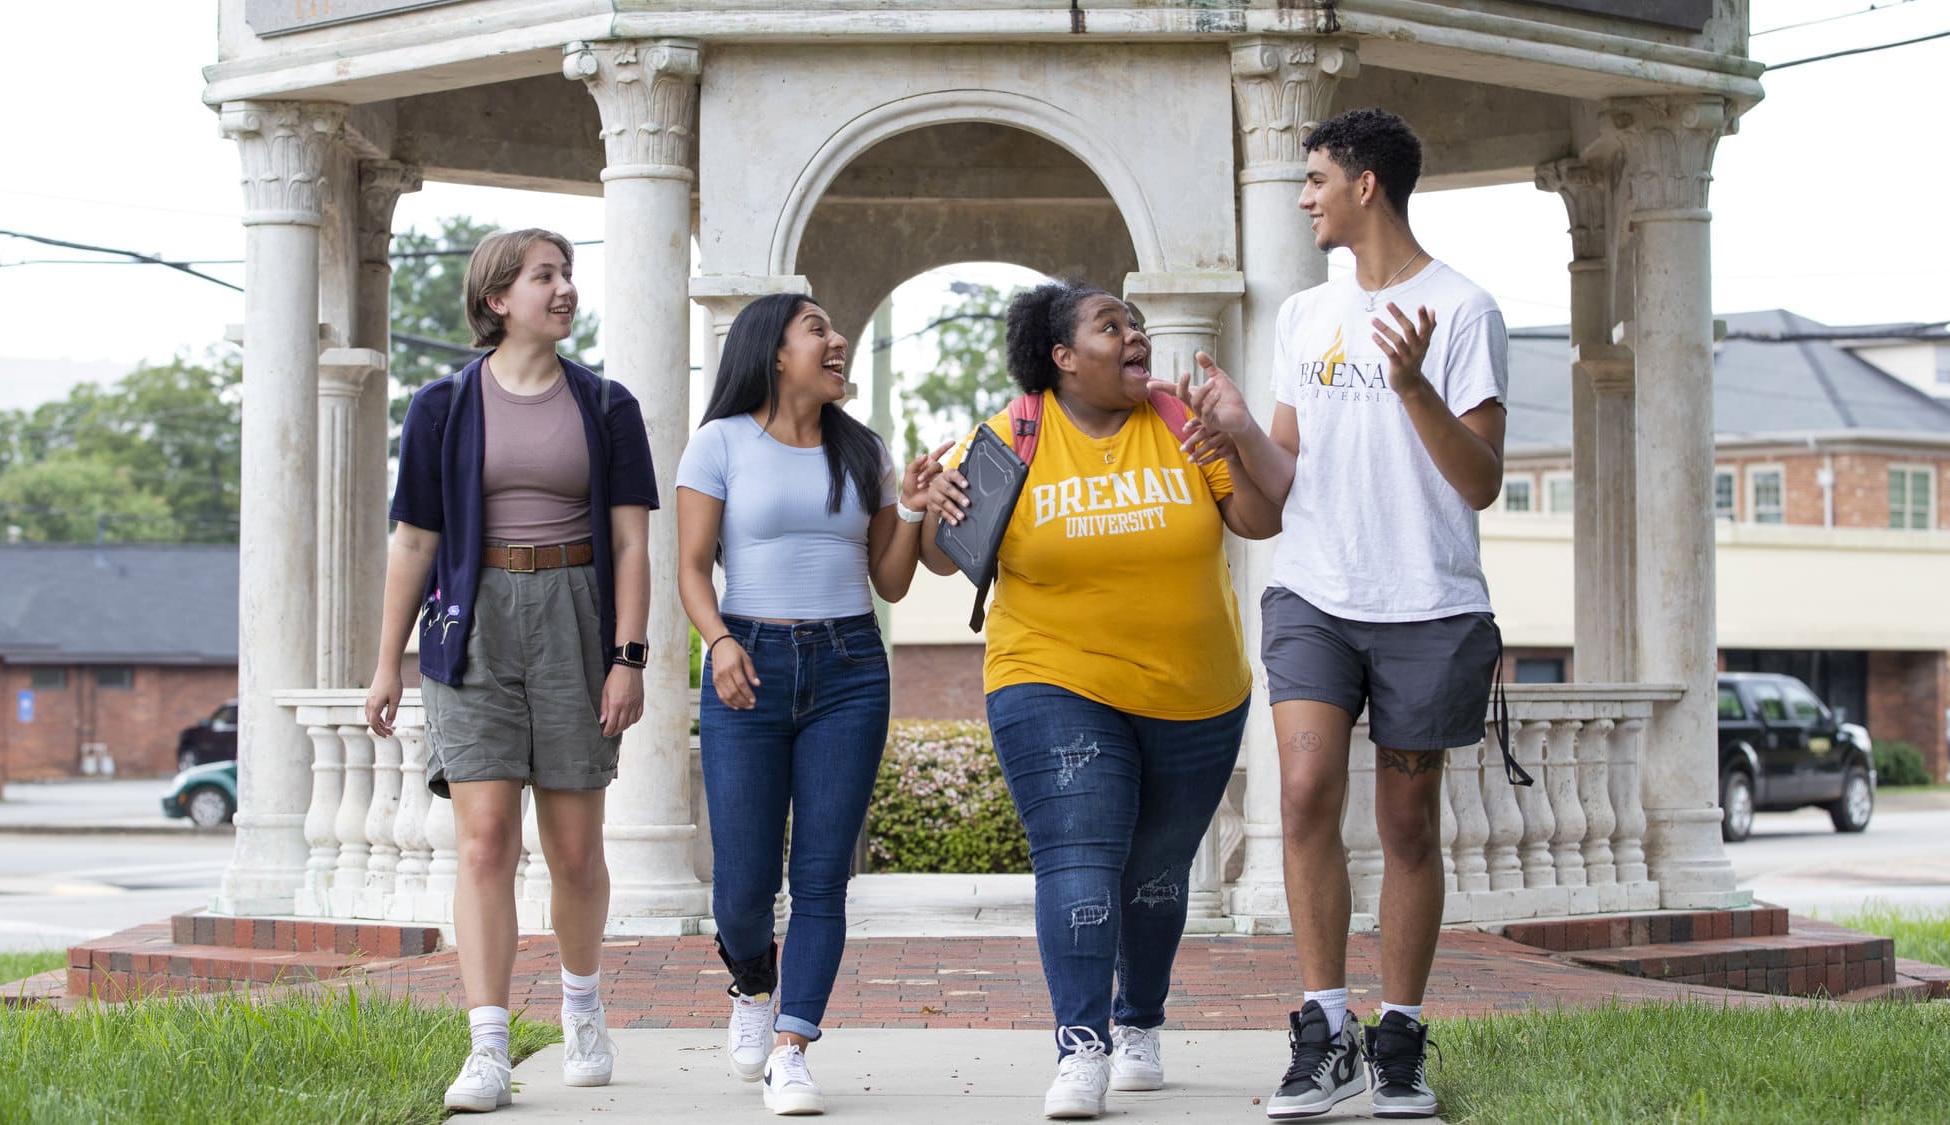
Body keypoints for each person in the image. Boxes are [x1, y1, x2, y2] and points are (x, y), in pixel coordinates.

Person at [1173, 107, 1509, 1120]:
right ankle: (1325, 1031)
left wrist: (1411, 389)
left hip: (1426, 604)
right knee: (1307, 786)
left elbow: (1480, 481)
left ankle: (1397, 1034)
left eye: (1313, 178)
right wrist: (1233, 434)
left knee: (1406, 820)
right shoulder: (1303, 317)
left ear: (1366, 184)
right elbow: (1276, 497)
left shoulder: (1463, 310)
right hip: (1313, 593)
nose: (1304, 197)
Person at [917, 280, 1284, 1120]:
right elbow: (947, 556)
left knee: (1155, 873)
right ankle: (1081, 1042)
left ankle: (1140, 1016)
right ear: (1063, 356)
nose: (1133, 335)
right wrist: (929, 506)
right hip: (1050, 675)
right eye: (1109, 325)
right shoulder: (1012, 435)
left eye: (1136, 324)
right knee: (1079, 852)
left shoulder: (1181, 420)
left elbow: (1260, 521)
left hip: (1195, 689)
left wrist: (1230, 438)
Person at [365, 228, 657, 1113]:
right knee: (485, 841)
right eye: (545, 276)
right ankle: (487, 1043)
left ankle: (580, 1003)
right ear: (498, 298)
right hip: (471, 625)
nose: (565, 289)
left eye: (567, 274)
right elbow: (414, 539)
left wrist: (628, 656)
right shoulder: (442, 407)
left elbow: (634, 539)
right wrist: (386, 662)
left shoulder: (607, 404)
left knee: (574, 848)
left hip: (575, 618)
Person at [677, 292, 950, 1116]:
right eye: (817, 330)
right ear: (774, 352)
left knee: (824, 874)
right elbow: (692, 566)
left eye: (835, 330)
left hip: (850, 667)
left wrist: (912, 507)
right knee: (742, 884)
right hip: (747, 665)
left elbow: (893, 579)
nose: (837, 342)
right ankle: (752, 980)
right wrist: (719, 642)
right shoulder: (719, 443)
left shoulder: (863, 450)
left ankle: (793, 1046)